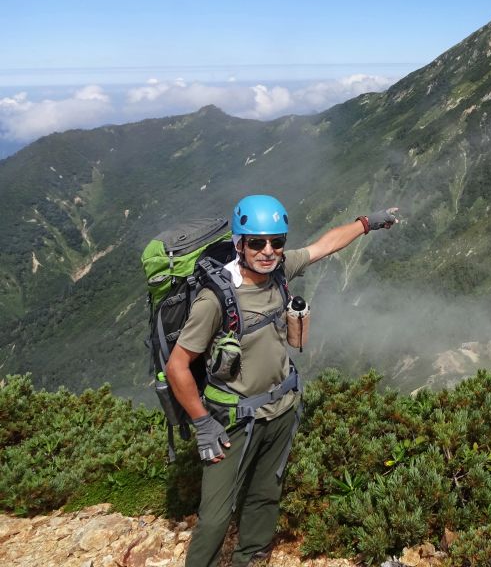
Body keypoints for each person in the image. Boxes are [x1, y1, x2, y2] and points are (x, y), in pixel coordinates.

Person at [165, 194, 398, 567]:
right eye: (257, 242)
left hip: (281, 409)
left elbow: (324, 246)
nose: (268, 250)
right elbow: (178, 366)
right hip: (233, 422)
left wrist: (367, 223)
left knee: (265, 493)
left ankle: (251, 559)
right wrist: (202, 423)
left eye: (276, 241)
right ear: (240, 243)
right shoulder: (215, 298)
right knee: (216, 515)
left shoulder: (280, 271)